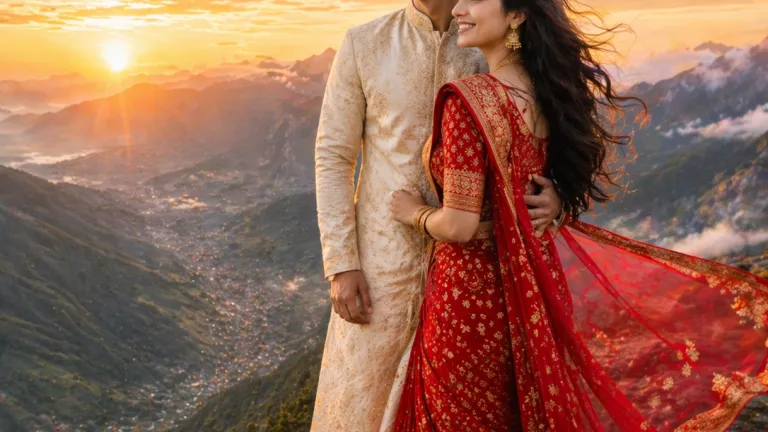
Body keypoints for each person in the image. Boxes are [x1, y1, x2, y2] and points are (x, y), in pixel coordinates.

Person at [387, 0, 768, 430]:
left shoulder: (470, 100)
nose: (459, 8)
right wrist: (557, 204)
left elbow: (458, 224)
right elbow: (535, 185)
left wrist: (414, 213)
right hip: (535, 291)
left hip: (468, 303)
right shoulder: (548, 93)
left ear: (517, 15)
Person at [311, 1, 566, 430]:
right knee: (364, 409)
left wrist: (556, 194)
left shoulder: (482, 42)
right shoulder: (365, 43)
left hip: (473, 282)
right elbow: (333, 157)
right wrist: (341, 263)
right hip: (382, 270)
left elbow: (538, 134)